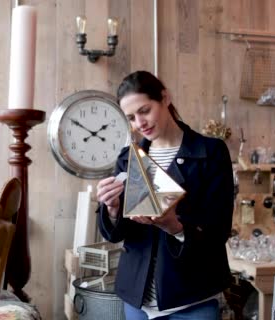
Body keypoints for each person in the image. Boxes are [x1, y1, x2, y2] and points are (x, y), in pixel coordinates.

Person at [96, 70, 234, 320]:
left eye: (145, 110)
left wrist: (175, 226)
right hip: (136, 300)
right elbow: (116, 233)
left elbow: (219, 230)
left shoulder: (211, 153)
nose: (140, 123)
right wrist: (113, 210)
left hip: (192, 299)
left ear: (165, 98)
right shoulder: (128, 158)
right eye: (131, 117)